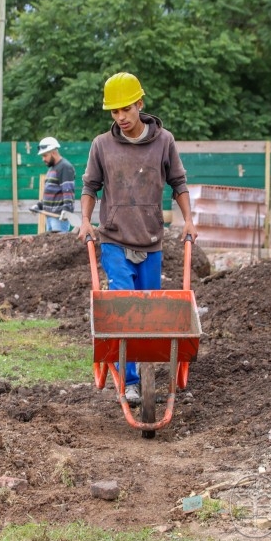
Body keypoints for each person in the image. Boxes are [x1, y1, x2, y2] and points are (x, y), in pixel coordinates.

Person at [77, 72, 198, 405]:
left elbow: (179, 183)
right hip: (114, 240)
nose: (120, 117)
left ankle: (145, 372)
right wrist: (86, 220)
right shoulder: (102, 145)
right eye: (114, 112)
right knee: (123, 307)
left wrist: (188, 220)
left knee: (148, 315)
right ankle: (131, 381)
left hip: (151, 241)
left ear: (140, 104)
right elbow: (90, 187)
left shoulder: (164, 142)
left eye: (126, 109)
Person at [35, 136, 75, 232]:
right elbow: (50, 192)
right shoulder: (52, 168)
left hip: (59, 217)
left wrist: (67, 210)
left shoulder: (65, 167)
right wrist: (40, 205)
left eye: (45, 155)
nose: (43, 159)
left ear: (53, 153)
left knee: (59, 246)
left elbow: (68, 191)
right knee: (51, 246)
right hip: (50, 216)